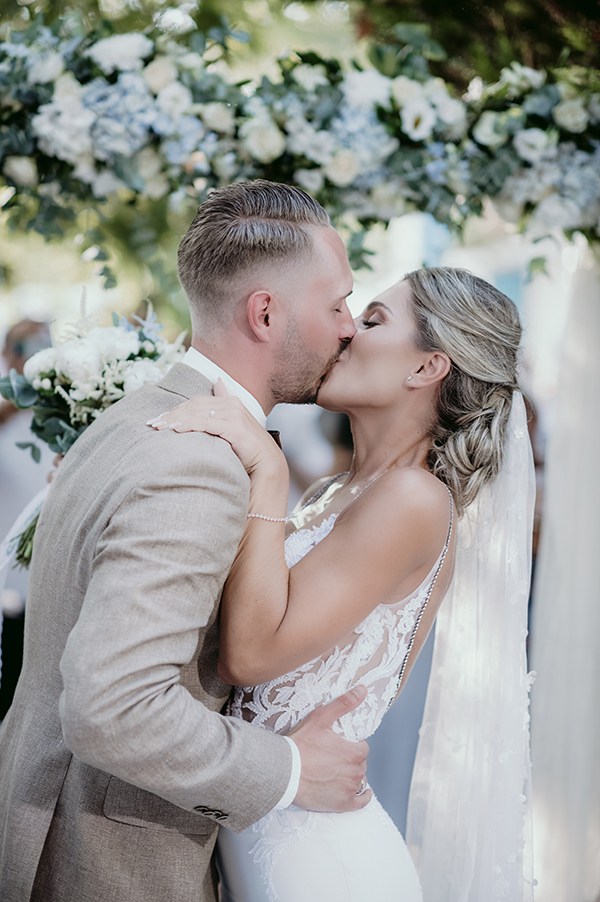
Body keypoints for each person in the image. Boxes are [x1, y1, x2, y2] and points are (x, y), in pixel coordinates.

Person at [0, 181, 374, 902]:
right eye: (338, 304)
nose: (351, 326)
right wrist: (291, 769)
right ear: (265, 313)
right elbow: (114, 705)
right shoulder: (196, 463)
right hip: (105, 861)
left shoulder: (135, 414)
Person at [151, 266, 533, 902]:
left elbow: (249, 656)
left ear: (426, 368)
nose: (348, 329)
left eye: (376, 320)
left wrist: (268, 471)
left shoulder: (414, 499)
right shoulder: (337, 493)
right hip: (263, 828)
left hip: (321, 863)